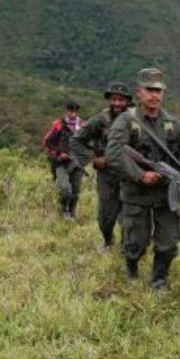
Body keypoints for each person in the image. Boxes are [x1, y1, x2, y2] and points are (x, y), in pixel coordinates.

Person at [106, 68, 180, 290]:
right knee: (136, 241)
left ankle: (159, 280)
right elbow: (114, 154)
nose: (154, 95)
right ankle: (132, 272)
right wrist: (140, 174)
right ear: (139, 92)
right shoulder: (127, 121)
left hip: (167, 193)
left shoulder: (172, 124)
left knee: (168, 241)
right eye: (149, 90)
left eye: (159, 91)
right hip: (136, 193)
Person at [71, 83, 132, 250]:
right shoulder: (100, 120)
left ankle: (125, 248)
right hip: (107, 175)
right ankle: (108, 241)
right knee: (106, 217)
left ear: (128, 101)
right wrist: (93, 158)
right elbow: (76, 140)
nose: (118, 103)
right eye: (114, 99)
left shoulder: (136, 119)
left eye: (121, 100)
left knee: (129, 215)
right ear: (109, 100)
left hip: (131, 174)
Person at [42, 100, 85, 219]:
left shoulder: (82, 125)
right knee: (65, 188)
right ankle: (64, 212)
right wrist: (59, 153)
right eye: (71, 111)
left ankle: (71, 213)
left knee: (75, 191)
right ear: (67, 111)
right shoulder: (59, 124)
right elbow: (47, 141)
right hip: (60, 162)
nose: (73, 114)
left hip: (76, 163)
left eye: (75, 111)